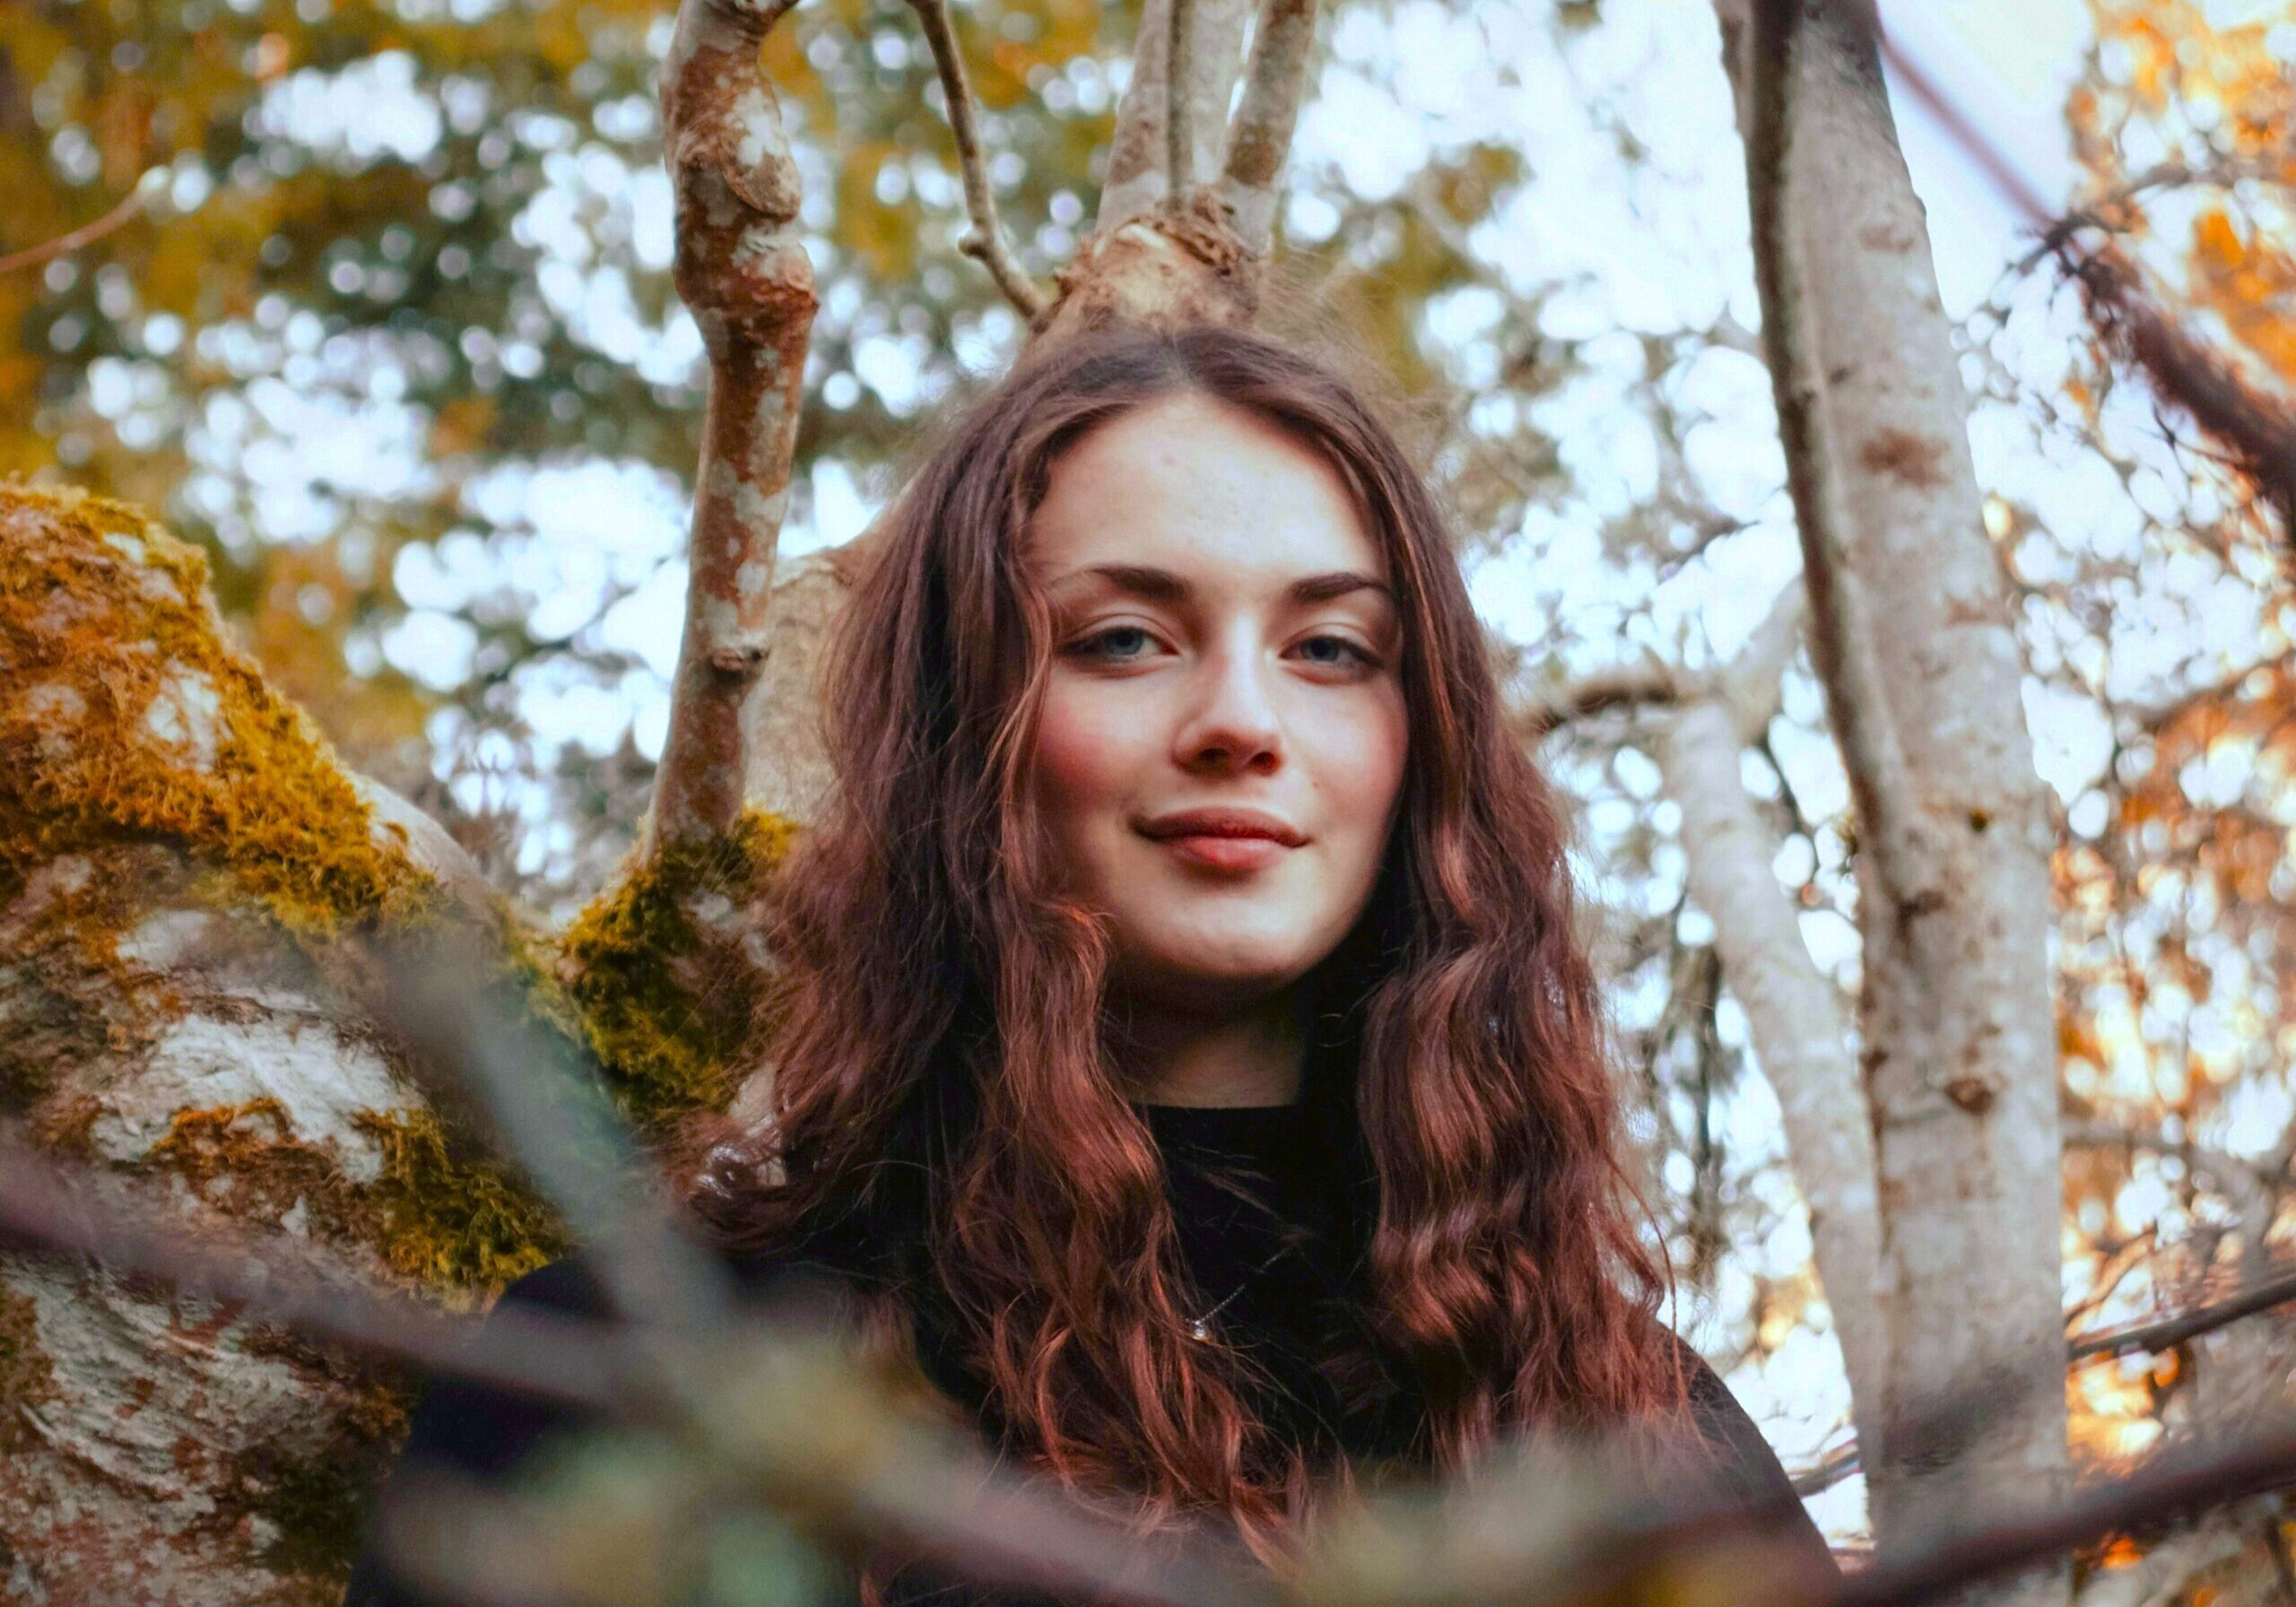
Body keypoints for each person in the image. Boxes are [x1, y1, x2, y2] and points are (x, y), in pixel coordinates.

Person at [344, 324, 1837, 1606]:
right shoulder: (648, 1370)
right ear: (961, 737)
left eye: (1330, 649)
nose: (1241, 719)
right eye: (1124, 639)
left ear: (1421, 743)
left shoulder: (1633, 1440)